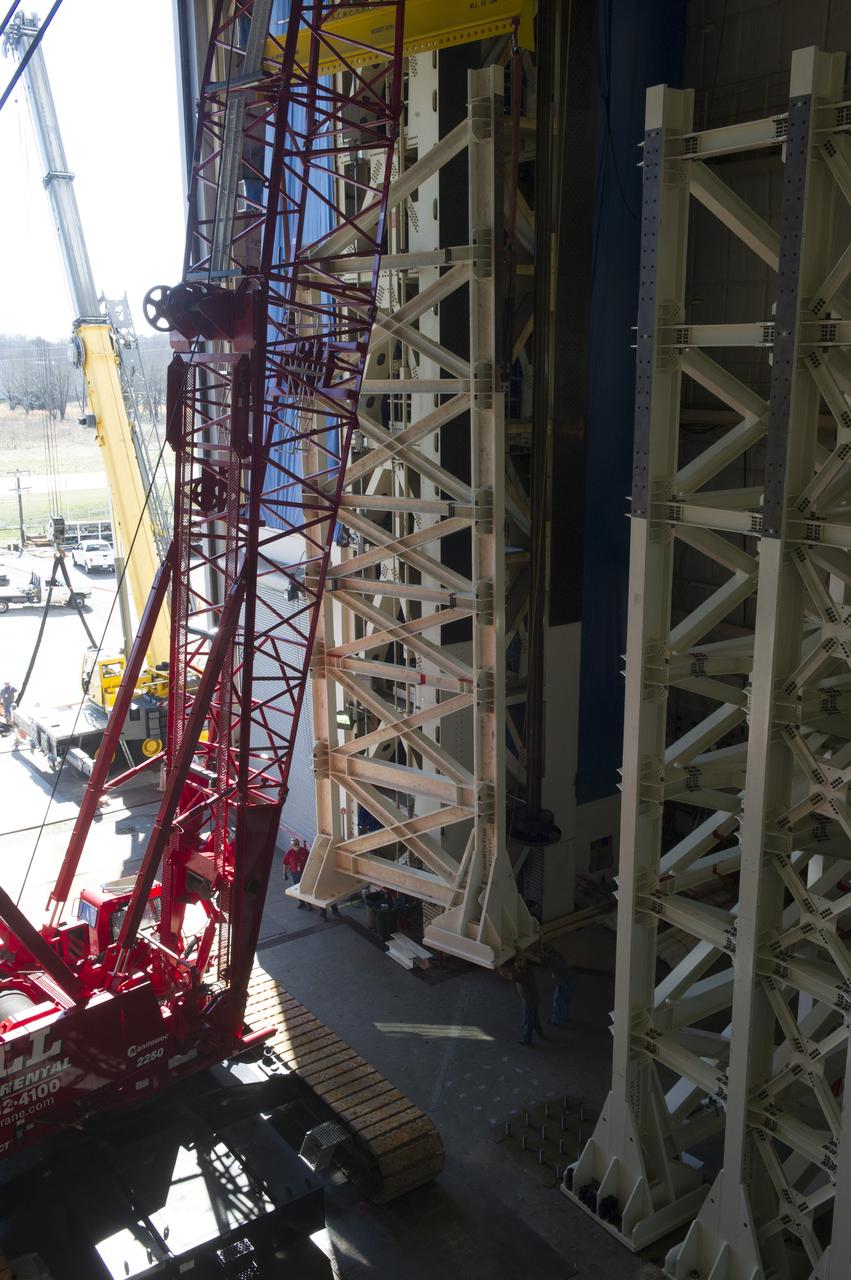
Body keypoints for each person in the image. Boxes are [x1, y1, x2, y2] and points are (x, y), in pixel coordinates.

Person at [513, 954, 544, 1046]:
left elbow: (506, 975)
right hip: (535, 998)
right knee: (534, 1018)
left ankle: (527, 1040)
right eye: (516, 961)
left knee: (528, 1020)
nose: (516, 963)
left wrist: (497, 965)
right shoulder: (528, 969)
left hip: (529, 1001)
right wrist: (520, 951)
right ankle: (540, 1033)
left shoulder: (521, 975)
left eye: (518, 961)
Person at [544, 946, 575, 1026]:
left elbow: (537, 959)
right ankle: (565, 1017)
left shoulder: (550, 958)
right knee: (566, 1001)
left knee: (558, 1001)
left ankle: (557, 1020)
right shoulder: (558, 955)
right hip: (571, 980)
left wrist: (522, 953)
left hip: (563, 983)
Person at [283, 837, 311, 909]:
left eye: (296, 844)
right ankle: (302, 902)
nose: (296, 845)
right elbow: (285, 864)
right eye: (294, 844)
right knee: (298, 888)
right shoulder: (289, 853)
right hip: (295, 874)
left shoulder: (304, 851)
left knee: (306, 888)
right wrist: (284, 873)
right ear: (292, 845)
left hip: (304, 872)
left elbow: (310, 860)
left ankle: (309, 903)